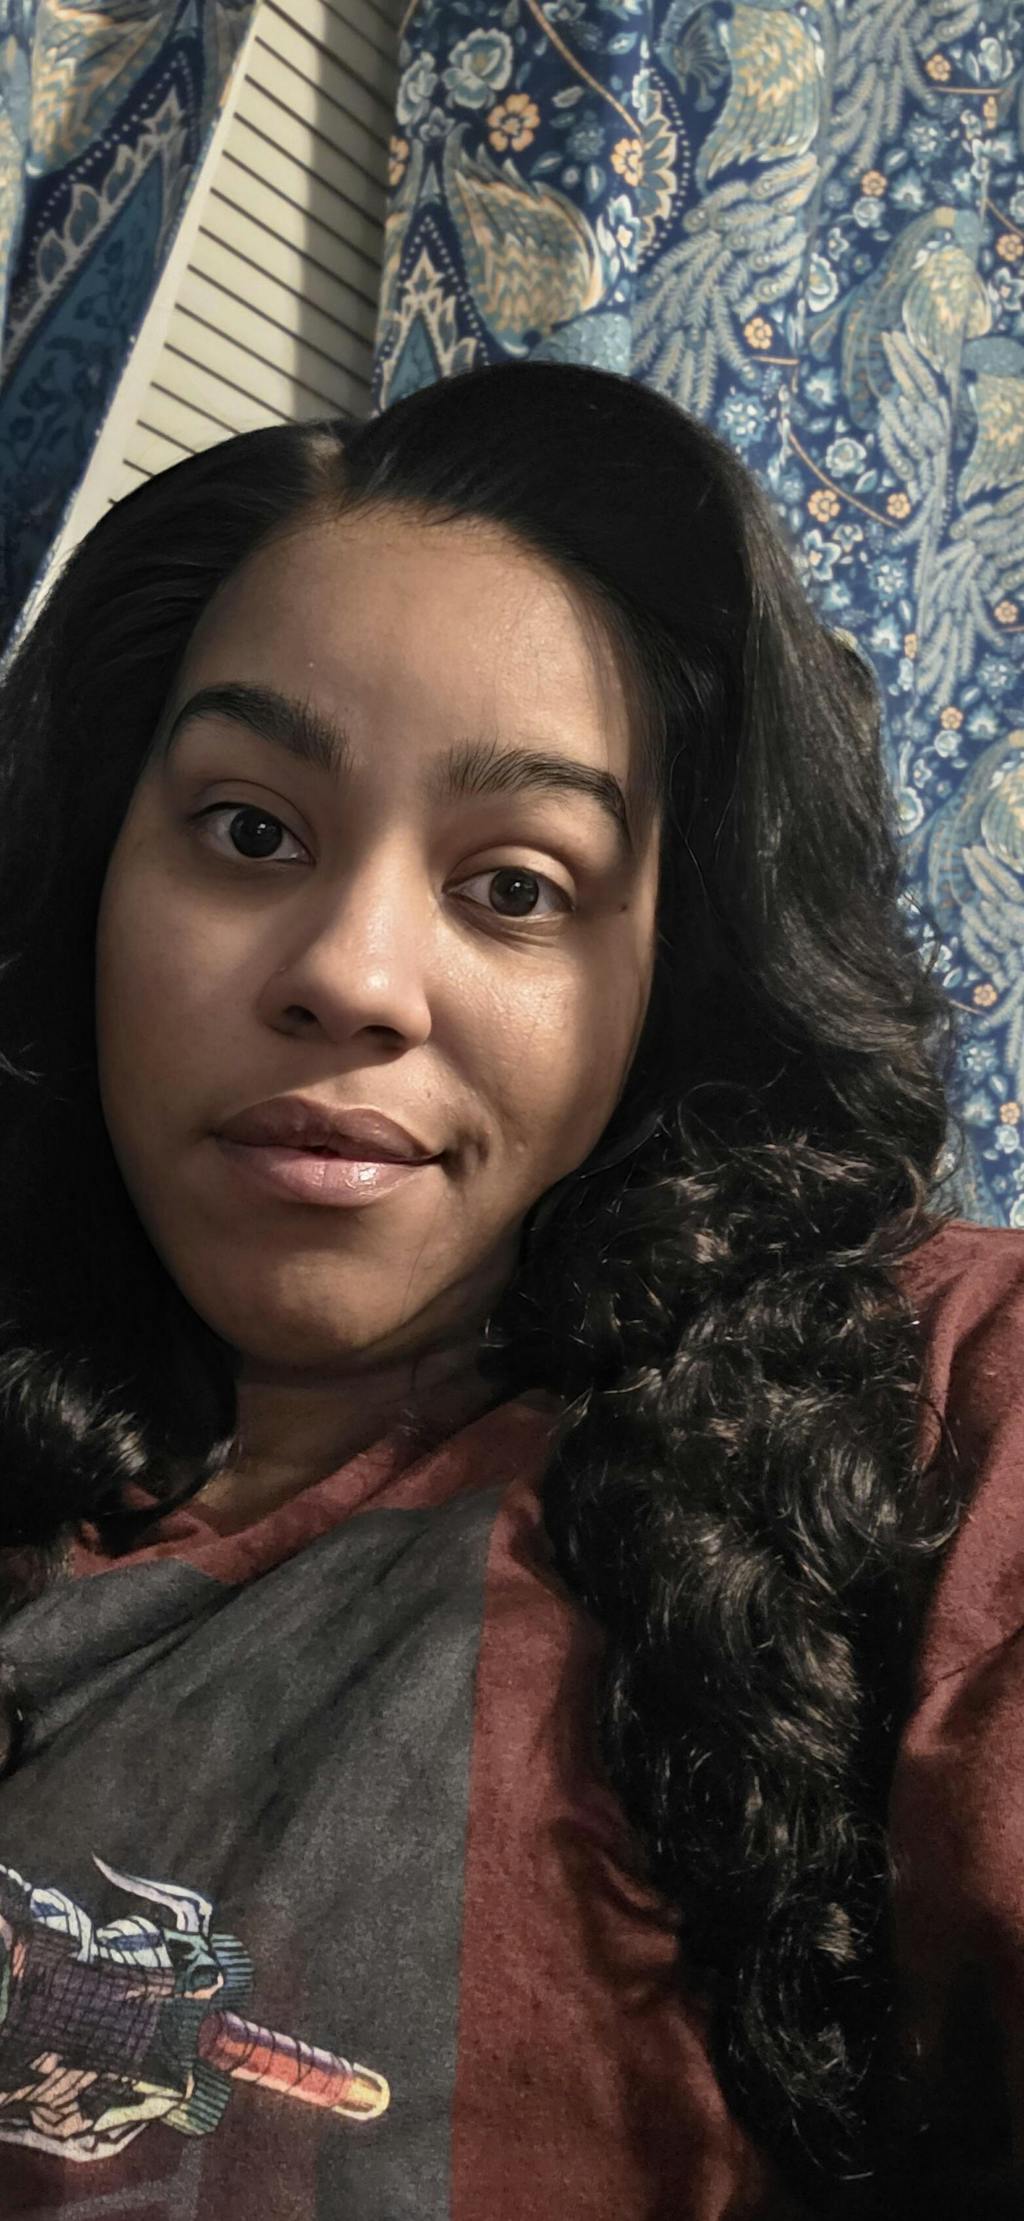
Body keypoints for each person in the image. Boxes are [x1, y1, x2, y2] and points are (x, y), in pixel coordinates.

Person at [0, 359, 1019, 2221]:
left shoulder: (942, 1408)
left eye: (519, 887)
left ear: (671, 979)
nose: (352, 972)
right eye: (251, 829)